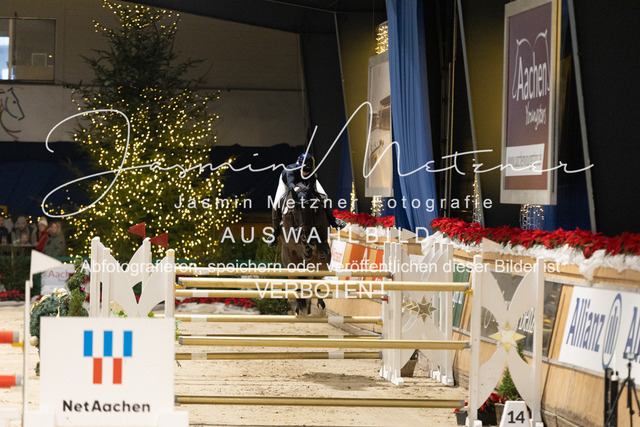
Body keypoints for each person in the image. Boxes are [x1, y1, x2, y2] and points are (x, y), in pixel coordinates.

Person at [269, 153, 345, 247]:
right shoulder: (290, 170)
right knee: (276, 204)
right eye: (303, 170)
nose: (305, 172)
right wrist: (294, 189)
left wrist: (305, 194)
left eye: (308, 171)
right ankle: (275, 233)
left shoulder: (312, 174)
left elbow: (309, 187)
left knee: (325, 197)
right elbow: (291, 183)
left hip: (305, 184)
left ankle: (334, 222)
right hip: (288, 183)